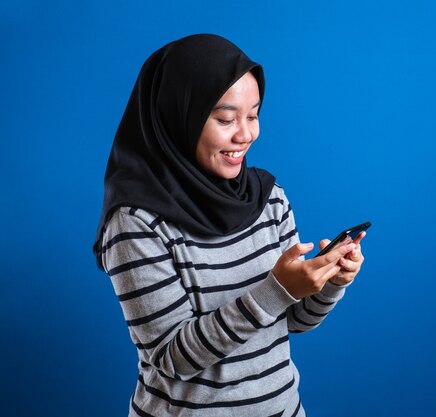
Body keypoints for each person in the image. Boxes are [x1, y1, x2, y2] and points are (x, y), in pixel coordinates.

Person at [93, 34, 366, 417]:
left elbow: (292, 321)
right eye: (225, 118)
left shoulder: (268, 198)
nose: (246, 134)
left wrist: (329, 282)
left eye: (253, 115)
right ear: (179, 117)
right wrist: (276, 290)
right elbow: (172, 359)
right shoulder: (136, 224)